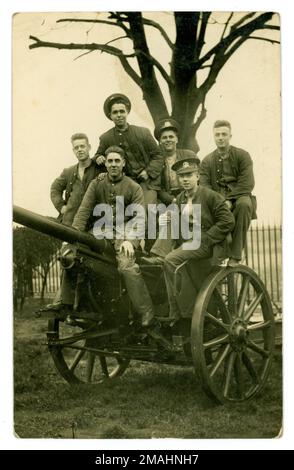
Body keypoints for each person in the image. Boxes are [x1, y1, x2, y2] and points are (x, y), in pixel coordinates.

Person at [142, 156, 235, 321]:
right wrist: (164, 218)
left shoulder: (210, 196)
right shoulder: (181, 198)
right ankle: (158, 255)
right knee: (171, 216)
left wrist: (207, 237)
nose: (185, 179)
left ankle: (183, 311)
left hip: (204, 243)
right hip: (188, 241)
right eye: (182, 176)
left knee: (170, 260)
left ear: (197, 176)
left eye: (189, 175)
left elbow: (228, 221)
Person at [72, 146, 155, 328]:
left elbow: (140, 218)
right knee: (74, 257)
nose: (113, 165)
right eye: (110, 161)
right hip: (101, 232)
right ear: (106, 164)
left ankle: (146, 310)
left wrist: (130, 240)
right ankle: (74, 305)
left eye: (117, 161)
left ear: (124, 164)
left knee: (126, 266)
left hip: (125, 233)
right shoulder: (97, 184)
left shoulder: (133, 187)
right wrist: (72, 237)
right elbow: (83, 211)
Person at [199, 120, 256, 267]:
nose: (220, 137)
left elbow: (247, 183)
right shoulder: (206, 161)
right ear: (213, 137)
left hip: (239, 198)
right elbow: (204, 186)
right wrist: (219, 202)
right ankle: (213, 255)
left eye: (224, 134)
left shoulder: (243, 155)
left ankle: (235, 255)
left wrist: (230, 200)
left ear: (230, 135)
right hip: (216, 201)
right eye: (217, 134)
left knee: (244, 204)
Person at [94, 93, 163, 206]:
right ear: (110, 115)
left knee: (145, 210)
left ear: (127, 112)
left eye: (122, 111)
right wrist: (99, 158)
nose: (119, 115)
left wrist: (148, 172)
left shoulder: (143, 132)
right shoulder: (106, 137)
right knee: (121, 214)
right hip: (123, 184)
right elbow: (98, 155)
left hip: (147, 182)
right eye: (115, 112)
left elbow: (158, 155)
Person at [50, 133, 102, 226]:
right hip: (69, 223)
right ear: (73, 150)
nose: (80, 150)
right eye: (76, 148)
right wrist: (61, 206)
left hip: (93, 223)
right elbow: (54, 189)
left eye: (82, 146)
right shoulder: (68, 172)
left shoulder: (99, 168)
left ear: (89, 147)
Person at [154, 118, 199, 205]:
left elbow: (197, 179)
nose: (168, 140)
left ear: (176, 139)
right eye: (164, 138)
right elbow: (157, 187)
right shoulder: (156, 160)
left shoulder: (189, 155)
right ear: (160, 141)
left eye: (171, 137)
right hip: (166, 201)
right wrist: (171, 200)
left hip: (189, 197)